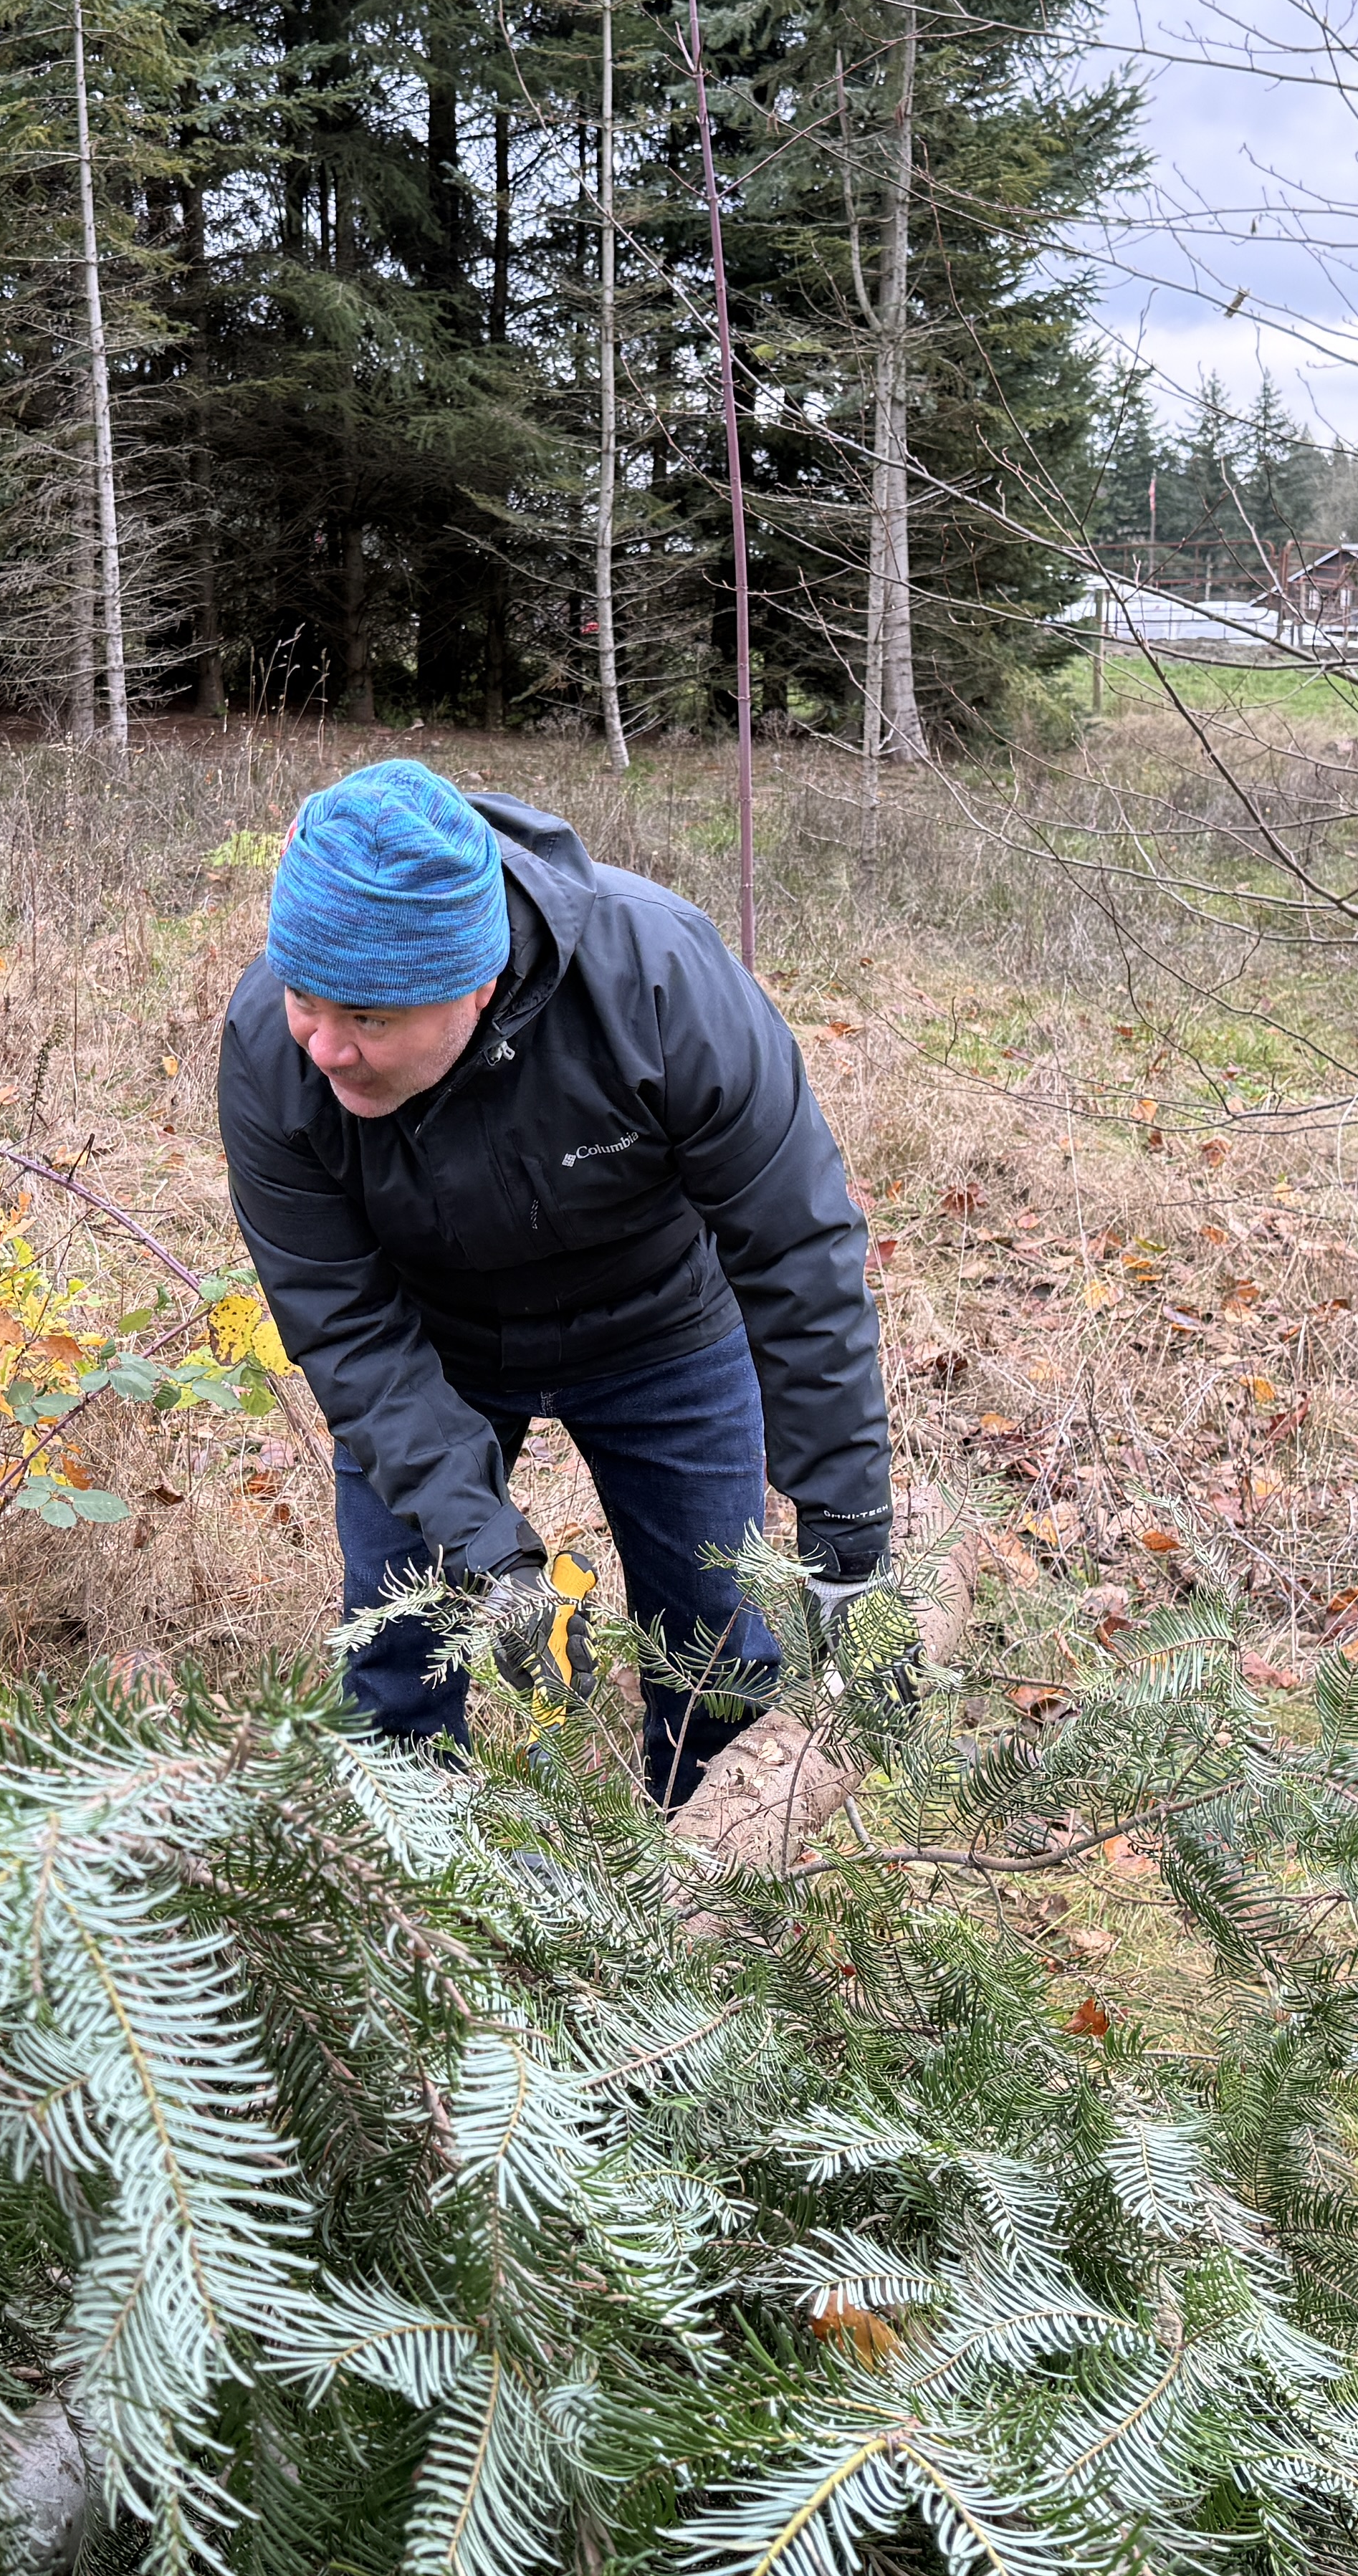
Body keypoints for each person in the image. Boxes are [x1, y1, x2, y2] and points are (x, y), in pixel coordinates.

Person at [216, 759, 892, 1801]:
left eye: (372, 1019)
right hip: (428, 1346)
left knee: (717, 1650)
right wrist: (494, 1559)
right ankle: (416, 1890)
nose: (328, 1048)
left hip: (660, 1329)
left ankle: (708, 1900)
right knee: (397, 1653)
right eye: (307, 998)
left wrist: (847, 1532)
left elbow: (797, 1249)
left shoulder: (659, 979)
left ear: (475, 982)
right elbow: (343, 1323)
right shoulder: (273, 1053)